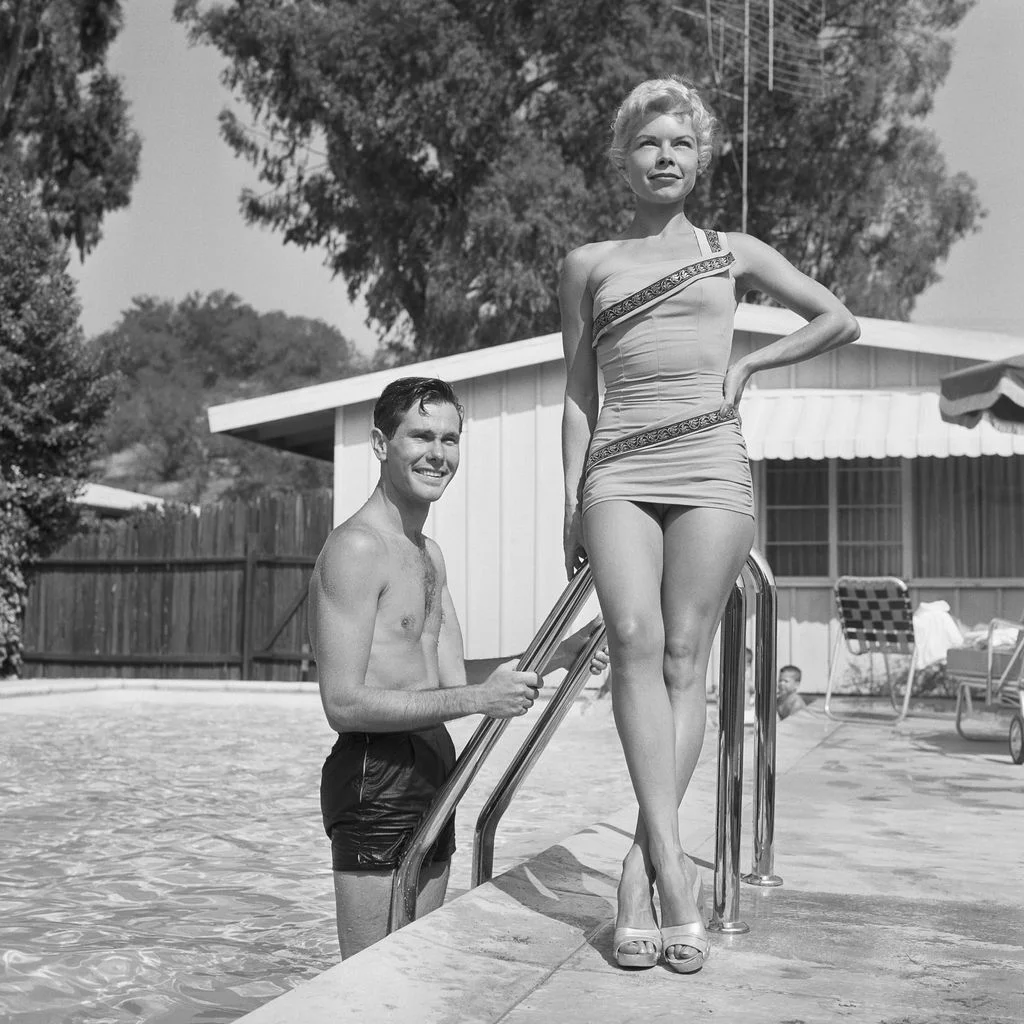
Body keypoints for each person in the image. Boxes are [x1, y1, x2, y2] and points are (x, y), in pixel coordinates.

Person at [559, 76, 859, 973]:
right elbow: (578, 397)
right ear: (623, 158)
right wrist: (571, 500)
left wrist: (751, 365)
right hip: (618, 463)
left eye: (681, 145)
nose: (665, 157)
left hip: (709, 461)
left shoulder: (736, 252)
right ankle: (671, 875)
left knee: (689, 656)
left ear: (701, 159)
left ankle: (638, 871)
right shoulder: (588, 263)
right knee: (633, 636)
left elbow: (839, 319)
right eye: (649, 144)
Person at [308, 376, 608, 959]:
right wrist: (477, 701)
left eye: (450, 439)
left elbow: (448, 677)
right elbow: (341, 703)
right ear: (379, 443)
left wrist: (560, 653)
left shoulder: (426, 553)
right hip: (376, 773)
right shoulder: (357, 549)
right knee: (371, 985)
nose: (438, 454)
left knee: (417, 969)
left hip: (432, 766)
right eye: (420, 436)